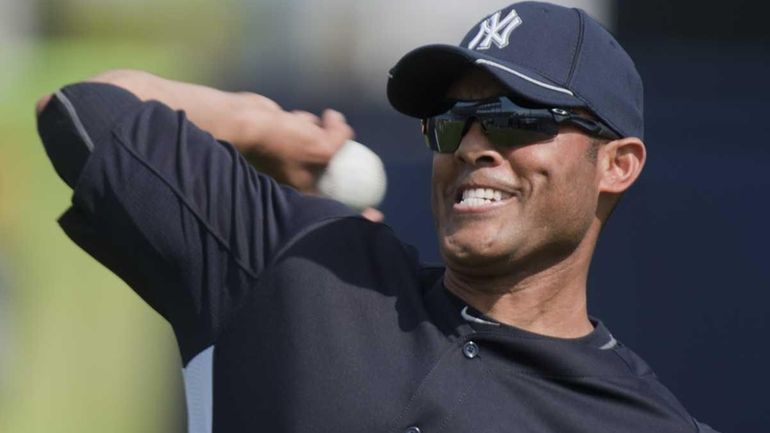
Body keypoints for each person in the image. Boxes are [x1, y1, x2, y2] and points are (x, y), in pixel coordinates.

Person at [36, 2, 719, 432]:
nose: (476, 145)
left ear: (618, 164)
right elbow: (82, 113)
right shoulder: (306, 265)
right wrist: (261, 126)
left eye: (517, 118)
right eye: (453, 122)